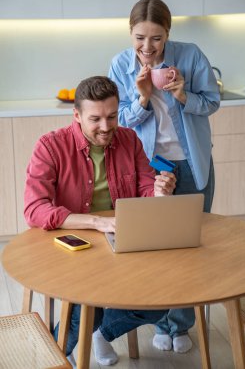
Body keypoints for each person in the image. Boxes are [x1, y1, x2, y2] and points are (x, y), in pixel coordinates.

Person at [24, 76, 176, 366]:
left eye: (112, 116)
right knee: (85, 308)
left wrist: (159, 192)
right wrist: (96, 222)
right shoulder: (50, 146)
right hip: (73, 245)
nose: (106, 127)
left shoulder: (129, 140)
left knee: (162, 301)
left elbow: (145, 191)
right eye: (95, 119)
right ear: (77, 115)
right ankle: (56, 355)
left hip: (123, 238)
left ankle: (102, 333)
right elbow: (34, 209)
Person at [108, 0, 220, 354]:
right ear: (130, 33)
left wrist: (183, 95)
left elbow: (212, 101)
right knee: (156, 248)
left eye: (156, 38)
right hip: (148, 167)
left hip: (191, 163)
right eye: (140, 37)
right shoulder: (120, 64)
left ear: (168, 34)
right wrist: (142, 99)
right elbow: (118, 120)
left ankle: (180, 323)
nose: (147, 47)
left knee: (189, 245)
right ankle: (159, 320)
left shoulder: (190, 56)